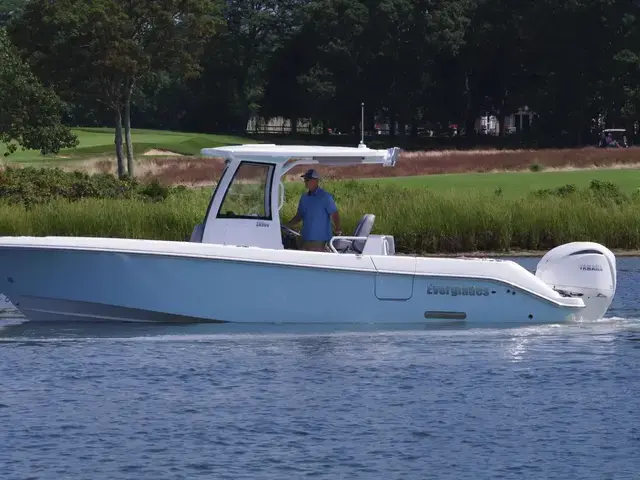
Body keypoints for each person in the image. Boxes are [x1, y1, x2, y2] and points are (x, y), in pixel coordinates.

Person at [285, 169, 342, 251]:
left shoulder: (325, 197)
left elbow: (335, 214)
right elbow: (298, 216)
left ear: (316, 181)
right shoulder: (304, 198)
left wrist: (338, 229)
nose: (305, 181)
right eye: (305, 179)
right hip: (305, 238)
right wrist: (287, 225)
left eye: (308, 179)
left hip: (320, 241)